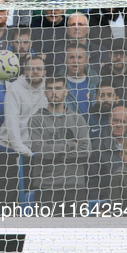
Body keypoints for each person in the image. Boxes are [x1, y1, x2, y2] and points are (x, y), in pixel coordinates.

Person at [29, 75, 91, 216]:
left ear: (66, 91)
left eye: (58, 88)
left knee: (77, 235)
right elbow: (40, 152)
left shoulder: (77, 119)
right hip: (46, 188)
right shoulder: (36, 120)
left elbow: (85, 151)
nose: (54, 93)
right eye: (50, 89)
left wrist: (53, 153)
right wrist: (69, 144)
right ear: (45, 92)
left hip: (75, 188)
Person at [0, 56, 47, 205]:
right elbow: (12, 123)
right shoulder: (15, 89)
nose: (35, 72)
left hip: (36, 150)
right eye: (31, 68)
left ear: (45, 72)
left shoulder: (49, 89)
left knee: (36, 197)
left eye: (39, 69)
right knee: (9, 198)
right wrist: (23, 150)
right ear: (24, 71)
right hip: (9, 149)